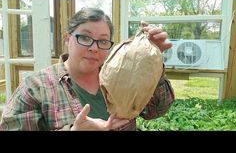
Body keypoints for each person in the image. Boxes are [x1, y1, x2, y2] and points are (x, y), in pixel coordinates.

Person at [0, 7, 175, 131]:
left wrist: (152, 60)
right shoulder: (35, 88)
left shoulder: (122, 77)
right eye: (85, 37)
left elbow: (156, 110)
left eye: (103, 40)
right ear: (68, 39)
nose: (94, 48)